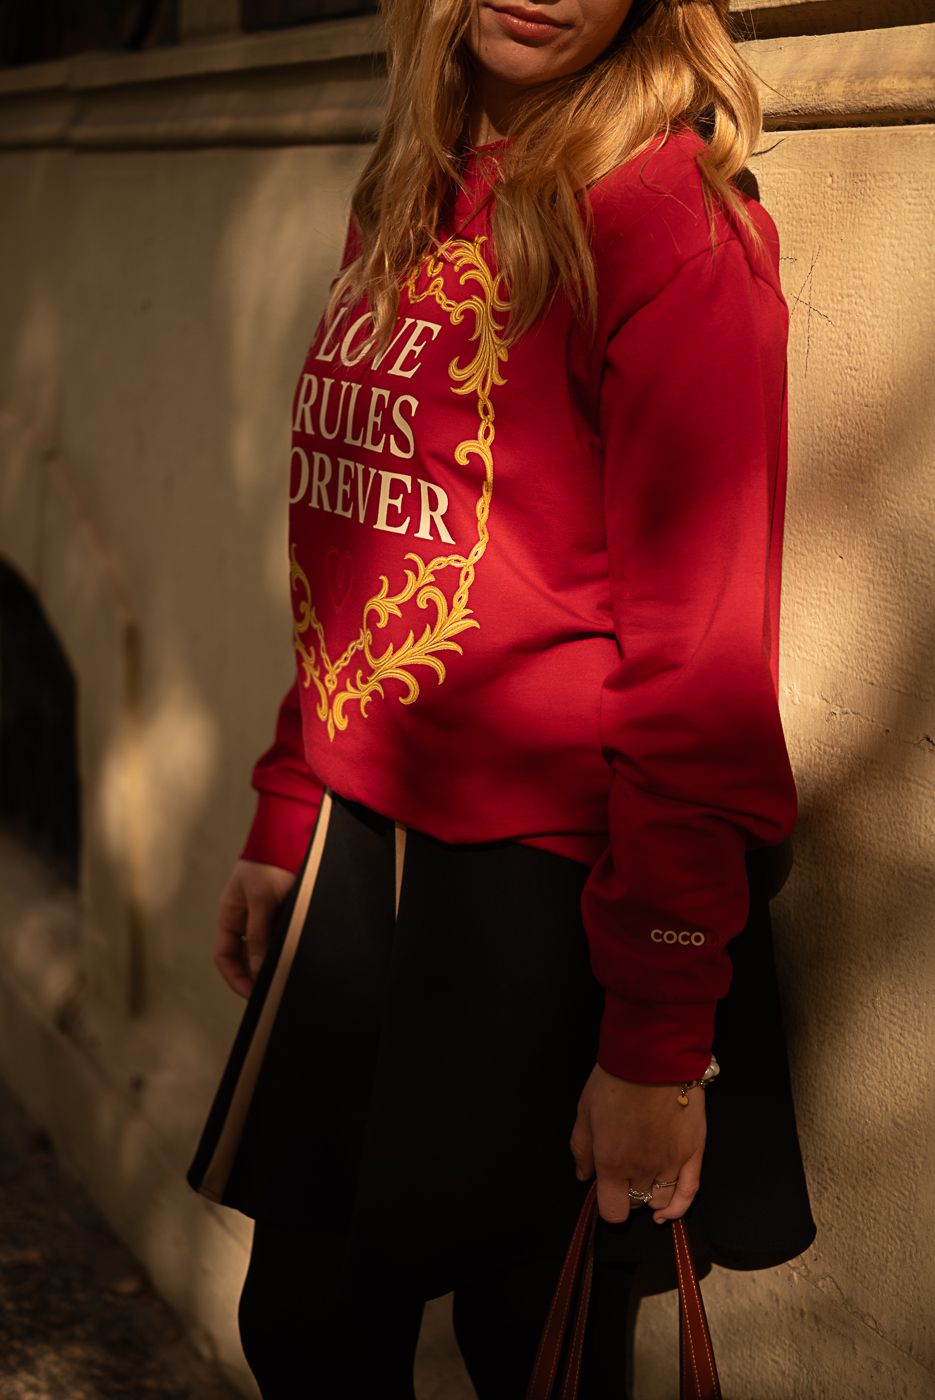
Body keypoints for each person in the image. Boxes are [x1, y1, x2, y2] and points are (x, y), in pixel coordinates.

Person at [185, 2, 817, 1395]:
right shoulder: (411, 186)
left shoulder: (670, 227)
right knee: (304, 1332)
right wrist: (291, 805)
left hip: (550, 898)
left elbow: (701, 670)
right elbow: (360, 541)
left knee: (530, 1351)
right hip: (366, 851)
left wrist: (657, 1038)